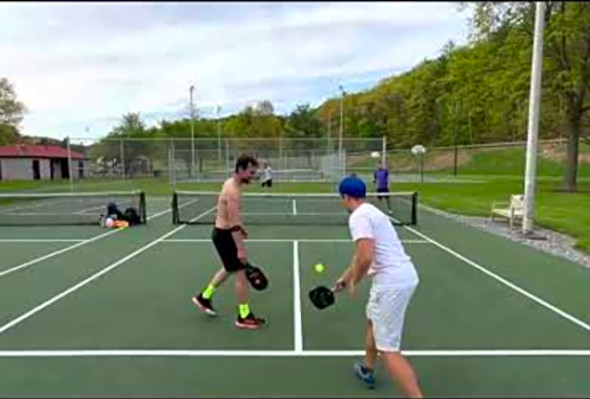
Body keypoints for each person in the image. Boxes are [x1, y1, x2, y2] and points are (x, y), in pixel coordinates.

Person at [335, 176, 423, 398]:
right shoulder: (373, 212)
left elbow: (366, 256)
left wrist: (355, 281)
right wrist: (346, 278)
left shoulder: (358, 217)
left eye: (341, 198)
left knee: (389, 350)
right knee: (372, 321)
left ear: (345, 197)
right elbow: (361, 254)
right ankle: (367, 368)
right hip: (398, 277)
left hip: (391, 283)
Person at [192, 154, 266, 329]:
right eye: (251, 172)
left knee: (228, 268)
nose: (253, 176)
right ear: (240, 170)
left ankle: (204, 297)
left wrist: (241, 226)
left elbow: (231, 216)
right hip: (226, 236)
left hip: (221, 233)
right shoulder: (233, 192)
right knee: (241, 275)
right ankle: (244, 315)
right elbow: (232, 224)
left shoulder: (230, 183)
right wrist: (240, 249)